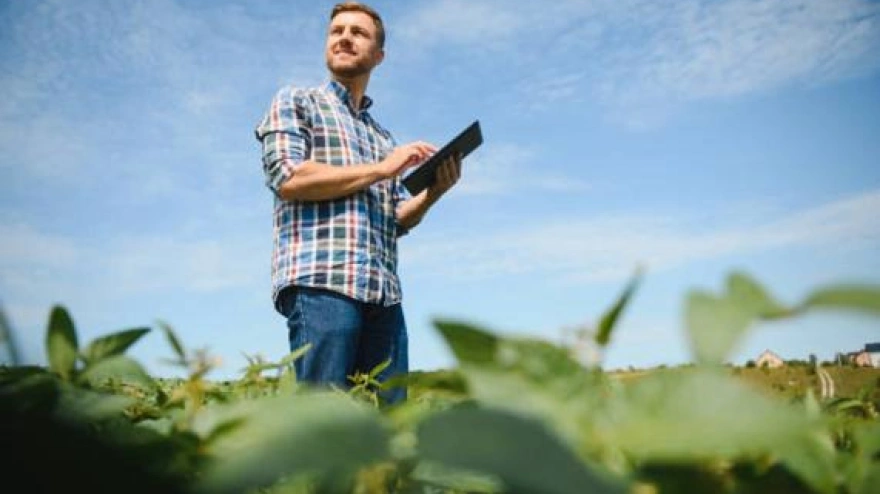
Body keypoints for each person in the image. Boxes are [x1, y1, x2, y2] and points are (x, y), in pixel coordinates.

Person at [254, 2, 461, 405]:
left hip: (384, 296)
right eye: (337, 31)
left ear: (379, 55)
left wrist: (434, 192)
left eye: (358, 32)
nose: (345, 37)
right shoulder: (297, 101)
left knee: (389, 427)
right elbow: (289, 177)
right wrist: (383, 169)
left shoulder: (382, 137)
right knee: (327, 422)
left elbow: (395, 220)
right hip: (322, 285)